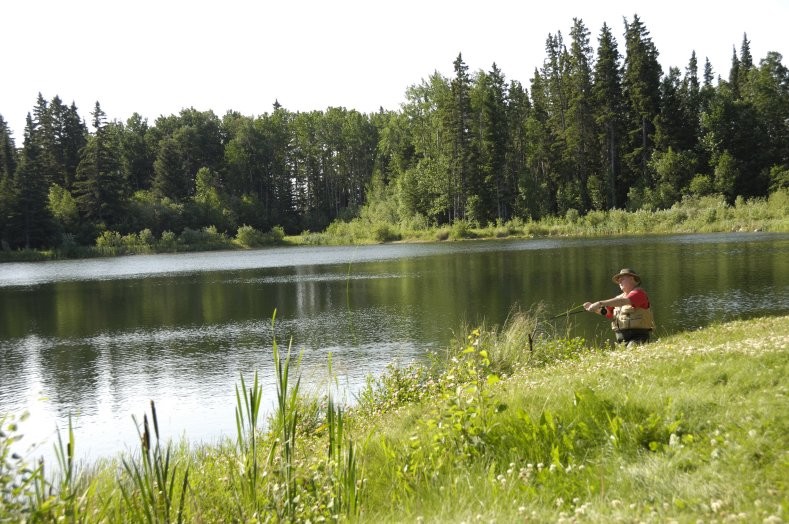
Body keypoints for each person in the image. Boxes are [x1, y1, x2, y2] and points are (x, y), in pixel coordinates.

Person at [584, 268, 654, 345]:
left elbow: (623, 301)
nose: (619, 281)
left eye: (622, 279)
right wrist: (593, 308)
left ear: (632, 279)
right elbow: (607, 313)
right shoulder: (618, 298)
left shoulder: (639, 293)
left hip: (638, 337)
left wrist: (599, 303)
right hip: (622, 341)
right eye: (618, 280)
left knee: (631, 350)